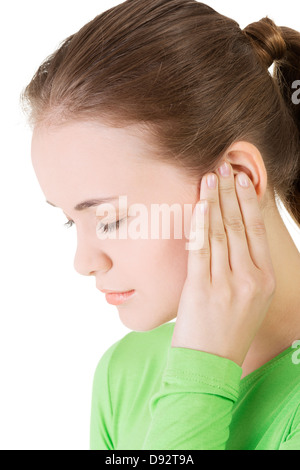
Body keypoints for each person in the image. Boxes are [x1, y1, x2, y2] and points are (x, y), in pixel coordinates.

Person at [20, 0, 300, 450]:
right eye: (72, 222)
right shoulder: (125, 371)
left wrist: (201, 376)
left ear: (240, 179)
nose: (85, 262)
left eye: (110, 218)